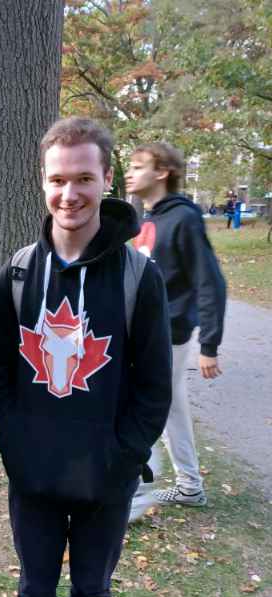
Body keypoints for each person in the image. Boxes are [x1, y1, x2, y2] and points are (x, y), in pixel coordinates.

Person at [0, 117, 172, 597]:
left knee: (91, 592)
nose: (70, 193)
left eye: (84, 178)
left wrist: (121, 461)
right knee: (35, 591)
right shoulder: (17, 272)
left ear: (106, 178)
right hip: (34, 477)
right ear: (42, 183)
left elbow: (154, 388)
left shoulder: (138, 276)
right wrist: (15, 445)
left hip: (105, 479)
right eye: (58, 179)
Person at [125, 142, 226, 517]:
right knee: (172, 409)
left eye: (139, 167)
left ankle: (135, 493)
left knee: (146, 403)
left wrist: (210, 345)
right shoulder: (150, 219)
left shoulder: (184, 218)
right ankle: (189, 486)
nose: (131, 173)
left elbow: (210, 282)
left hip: (170, 333)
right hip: (150, 331)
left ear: (163, 172)